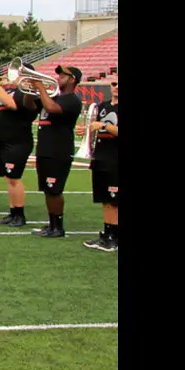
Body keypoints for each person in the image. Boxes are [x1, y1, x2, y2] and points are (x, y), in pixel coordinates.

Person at [30, 65, 84, 238]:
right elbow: (29, 106)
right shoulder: (53, 96)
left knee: (54, 189)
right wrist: (32, 91)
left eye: (63, 75)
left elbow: (52, 109)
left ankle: (58, 226)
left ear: (72, 79)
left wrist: (40, 88)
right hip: (45, 149)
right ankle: (52, 223)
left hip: (59, 150)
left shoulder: (72, 100)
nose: (59, 77)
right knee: (47, 189)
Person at [0, 66, 41, 227]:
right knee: (9, 178)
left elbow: (12, 105)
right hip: (0, 139)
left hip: (16, 140)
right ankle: (12, 211)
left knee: (14, 178)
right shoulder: (6, 90)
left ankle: (19, 214)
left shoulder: (26, 91)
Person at [79, 76, 118, 251]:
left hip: (115, 159)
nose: (116, 87)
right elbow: (95, 129)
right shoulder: (103, 106)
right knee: (105, 200)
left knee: (115, 200)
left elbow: (109, 128)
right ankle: (107, 233)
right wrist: (85, 129)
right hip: (101, 157)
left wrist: (104, 126)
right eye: (114, 84)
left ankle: (115, 238)